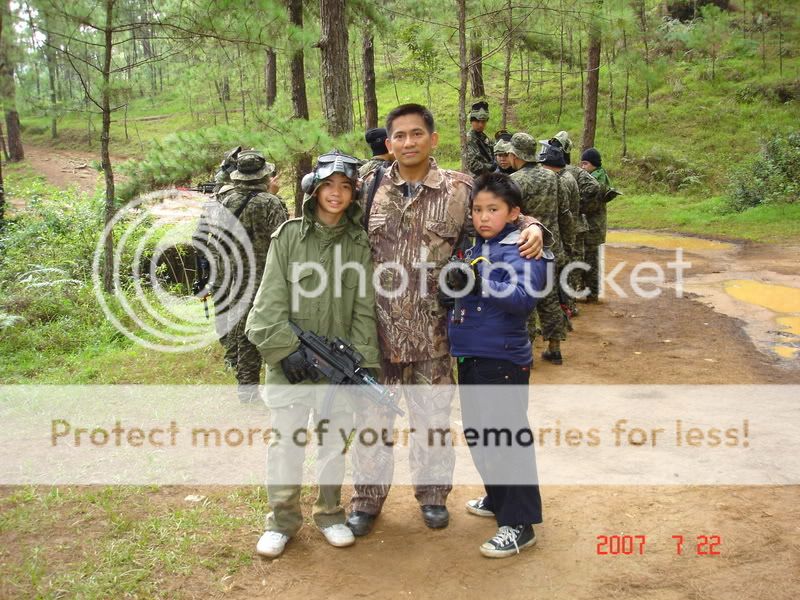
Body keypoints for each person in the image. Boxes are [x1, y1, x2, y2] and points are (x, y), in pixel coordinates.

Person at [346, 103, 546, 537]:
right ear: (389, 142)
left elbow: (502, 209)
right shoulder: (368, 184)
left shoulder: (459, 189)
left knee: (432, 420)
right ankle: (365, 500)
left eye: (417, 134)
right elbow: (325, 216)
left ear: (433, 139)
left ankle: (433, 496)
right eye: (399, 135)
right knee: (371, 421)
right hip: (373, 330)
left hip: (434, 332)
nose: (408, 142)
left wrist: (534, 225)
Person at [245, 150, 381, 558]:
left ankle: (330, 514)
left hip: (336, 368)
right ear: (314, 189)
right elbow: (268, 302)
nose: (336, 194)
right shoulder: (288, 236)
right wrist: (284, 351)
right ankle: (281, 521)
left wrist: (358, 365)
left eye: (344, 187)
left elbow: (363, 308)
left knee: (332, 443)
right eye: (328, 186)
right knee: (285, 444)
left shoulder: (359, 243)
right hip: (290, 365)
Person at [444, 172, 545, 558]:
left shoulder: (526, 248)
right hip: (471, 356)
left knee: (505, 440)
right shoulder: (476, 248)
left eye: (493, 209)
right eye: (478, 209)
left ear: (514, 212)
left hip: (502, 358)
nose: (483, 217)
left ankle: (519, 524)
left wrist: (481, 276)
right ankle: (498, 496)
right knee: (480, 435)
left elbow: (523, 299)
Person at [210, 150, 288, 403]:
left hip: (235, 276)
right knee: (265, 328)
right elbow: (284, 239)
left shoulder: (226, 201)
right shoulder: (270, 203)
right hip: (266, 276)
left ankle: (246, 387)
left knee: (241, 331)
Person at [508, 133, 571, 365]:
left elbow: (511, 217)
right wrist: (567, 244)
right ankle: (555, 347)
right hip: (551, 247)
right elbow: (565, 212)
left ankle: (527, 351)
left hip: (525, 248)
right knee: (550, 297)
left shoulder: (514, 181)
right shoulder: (553, 177)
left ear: (515, 155)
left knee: (526, 300)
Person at [555, 131, 600, 303]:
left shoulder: (572, 171)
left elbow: (594, 187)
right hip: (570, 224)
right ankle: (568, 300)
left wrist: (578, 204)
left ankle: (570, 301)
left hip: (574, 225)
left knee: (572, 263)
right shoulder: (567, 171)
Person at [539, 138, 580, 318]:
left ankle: (564, 313)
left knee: (555, 288)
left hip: (558, 238)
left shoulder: (561, 180)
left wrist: (567, 242)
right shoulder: (564, 178)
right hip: (563, 236)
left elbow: (565, 214)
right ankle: (568, 308)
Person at [580, 147, 610, 302]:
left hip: (593, 227)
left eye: (586, 164)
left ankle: (592, 294)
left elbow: (591, 206)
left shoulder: (597, 181)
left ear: (594, 164)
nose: (583, 167)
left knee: (591, 262)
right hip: (591, 226)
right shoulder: (595, 177)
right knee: (586, 259)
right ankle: (586, 291)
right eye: (582, 164)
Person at [465, 101, 495, 177]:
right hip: (476, 179)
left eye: (483, 122)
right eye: (477, 121)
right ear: (471, 121)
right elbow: (473, 165)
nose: (481, 125)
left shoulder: (484, 137)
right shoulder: (469, 139)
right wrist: (492, 167)